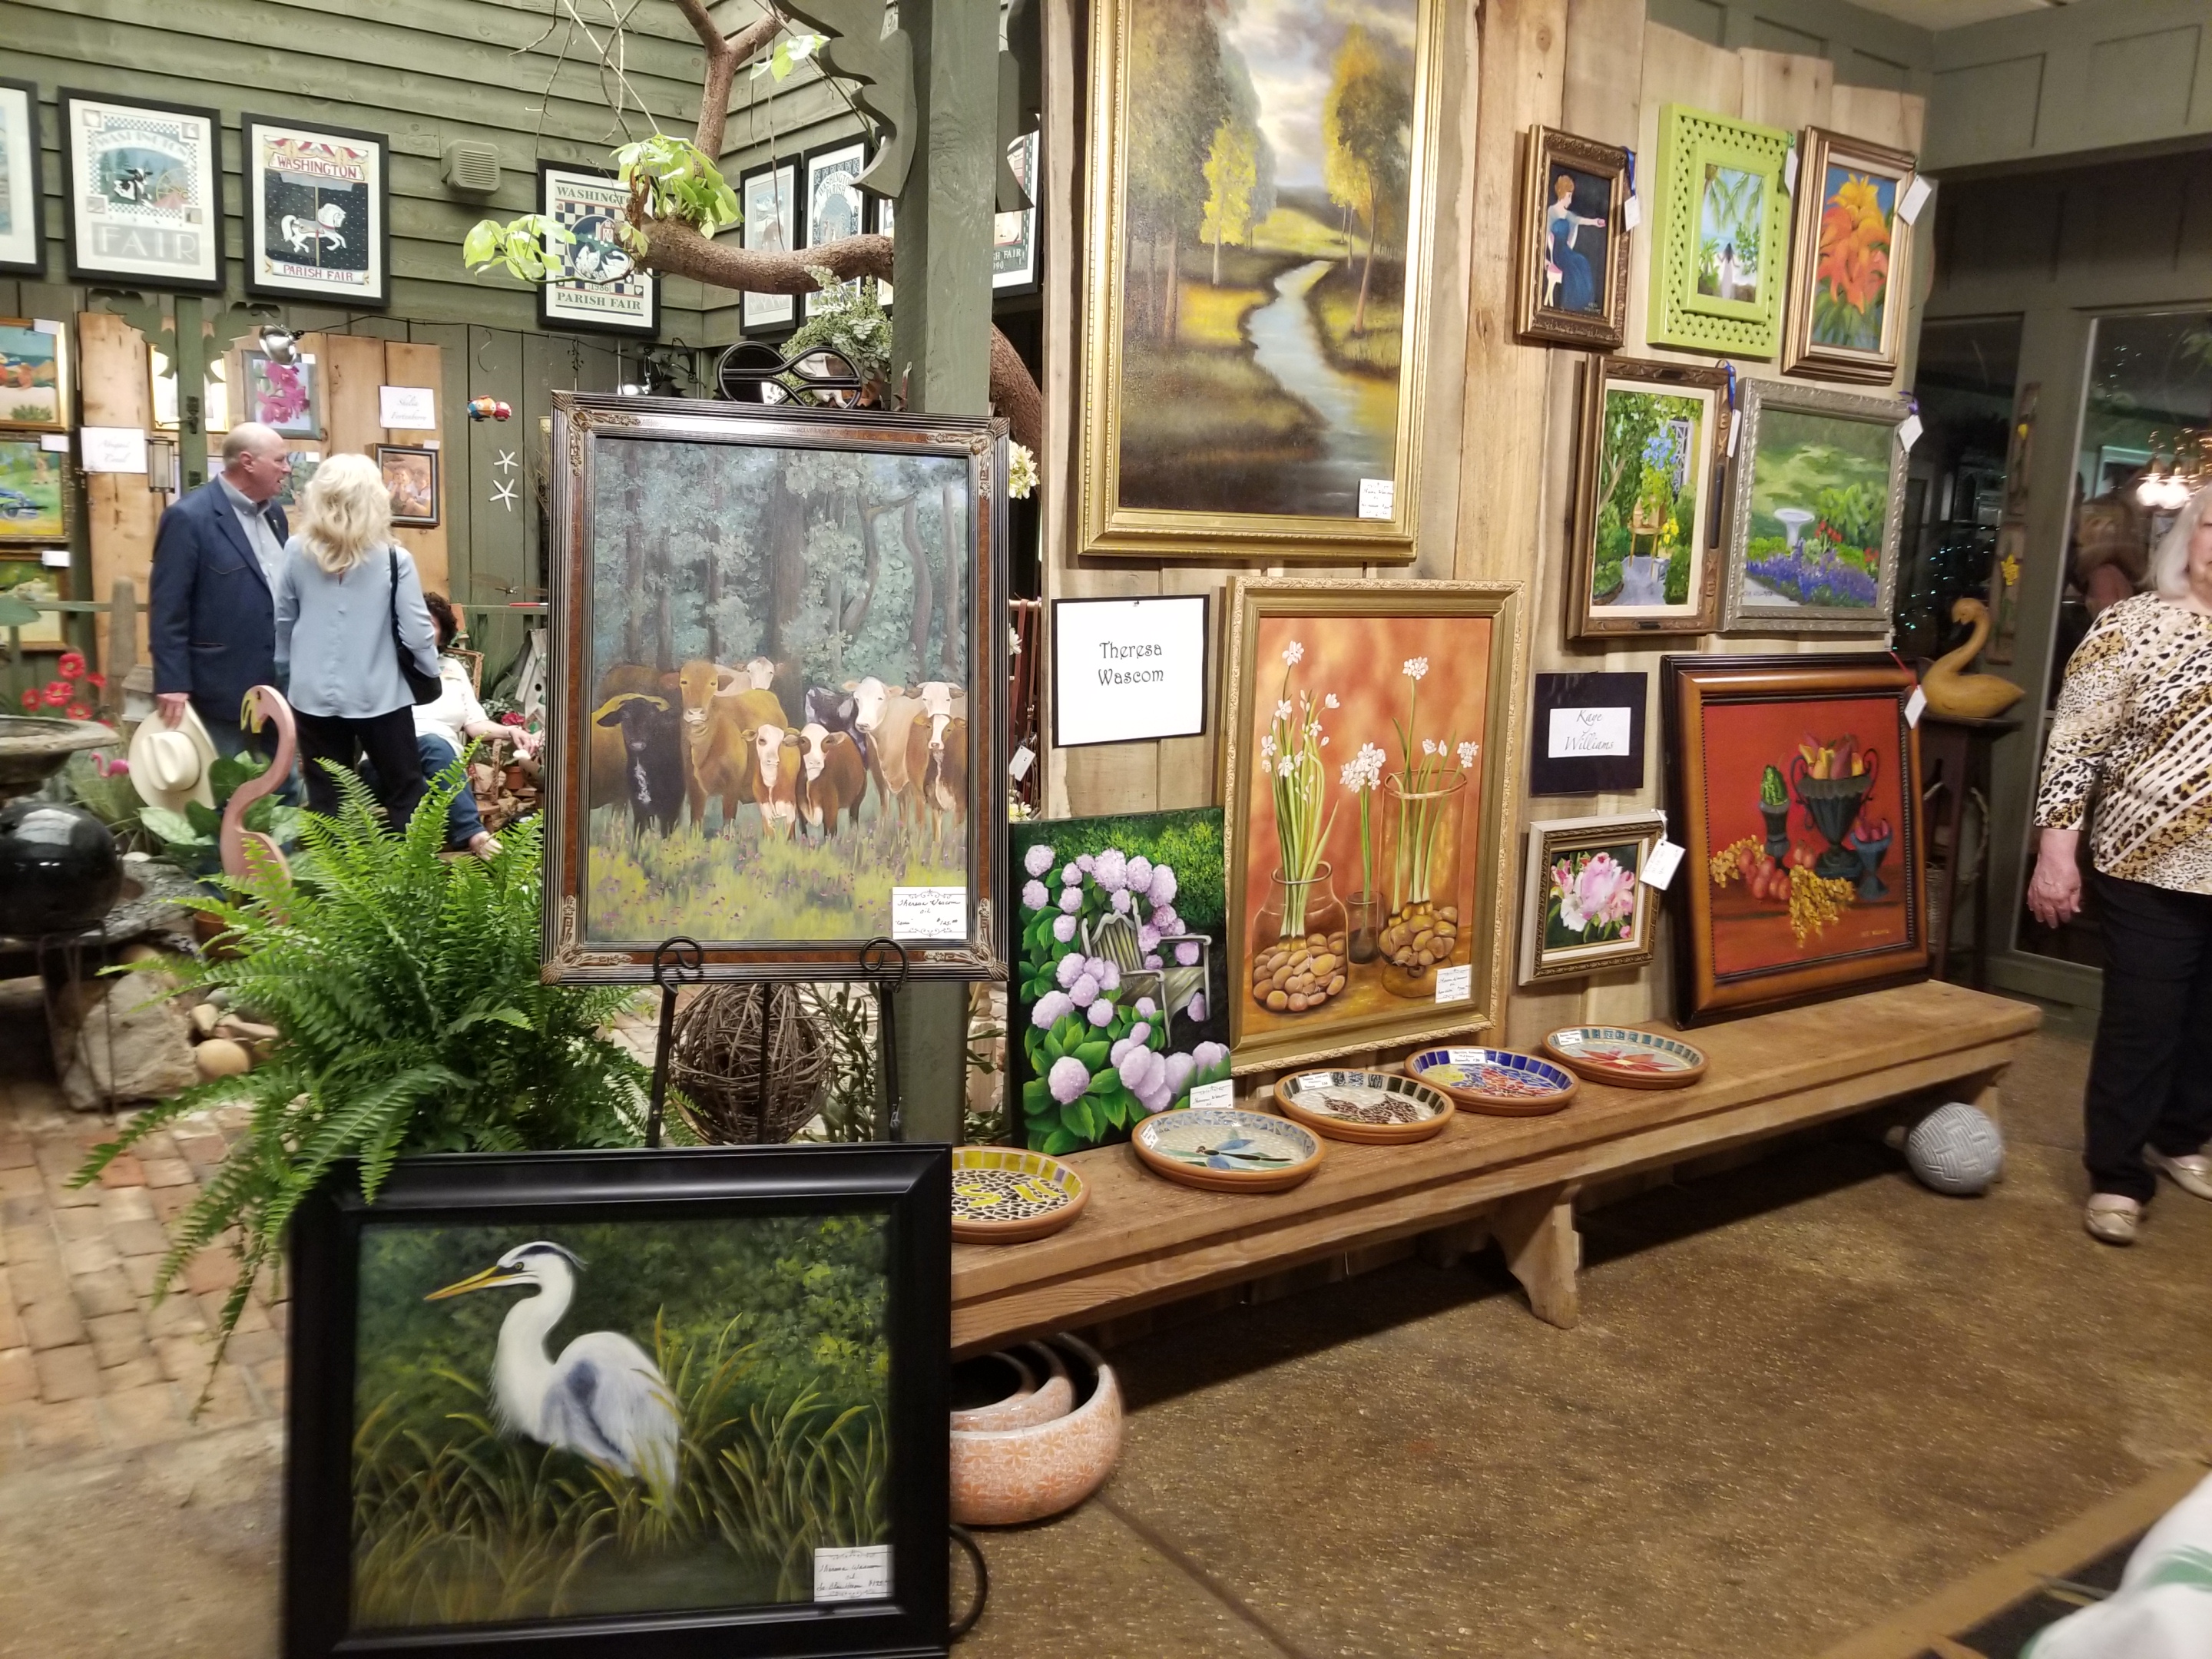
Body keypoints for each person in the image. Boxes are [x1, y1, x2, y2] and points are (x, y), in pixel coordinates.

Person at [2028, 484, 2212, 1246]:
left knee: (2206, 1023)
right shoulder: (2131, 626)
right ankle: (2117, 1174)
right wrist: (2056, 856)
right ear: (2188, 536)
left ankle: (2180, 1137)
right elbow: (2074, 750)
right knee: (2145, 1023)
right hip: (2147, 861)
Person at [273, 452, 440, 827]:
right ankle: (406, 865)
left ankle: (335, 866)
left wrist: (285, 671)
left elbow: (283, 619)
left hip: (312, 694)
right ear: (374, 499)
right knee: (405, 792)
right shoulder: (395, 559)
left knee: (327, 799)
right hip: (380, 694)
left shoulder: (296, 550)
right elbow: (417, 632)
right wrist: (430, 672)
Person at [147, 422, 293, 757]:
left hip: (279, 683)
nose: (287, 469)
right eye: (280, 460)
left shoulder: (275, 515)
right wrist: (172, 682)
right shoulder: (188, 518)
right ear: (248, 462)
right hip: (220, 685)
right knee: (224, 782)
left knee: (281, 780)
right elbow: (168, 607)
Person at [414, 592, 538, 857]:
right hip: (393, 762)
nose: (421, 630)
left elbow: (475, 723)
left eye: (430, 624)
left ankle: (441, 866)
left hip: (442, 767)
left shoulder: (453, 669)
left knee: (433, 777)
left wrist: (511, 730)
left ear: (442, 636)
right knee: (434, 749)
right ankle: (475, 837)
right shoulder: (388, 666)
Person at [1546, 171, 1600, 313]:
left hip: (1567, 251)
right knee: (1573, 268)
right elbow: (1544, 234)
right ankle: (1570, 307)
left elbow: (1581, 220)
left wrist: (1595, 222)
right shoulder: (1551, 212)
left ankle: (1583, 307)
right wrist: (1545, 260)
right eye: (1569, 196)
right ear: (1563, 194)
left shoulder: (1568, 215)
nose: (1570, 200)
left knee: (1582, 262)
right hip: (1558, 254)